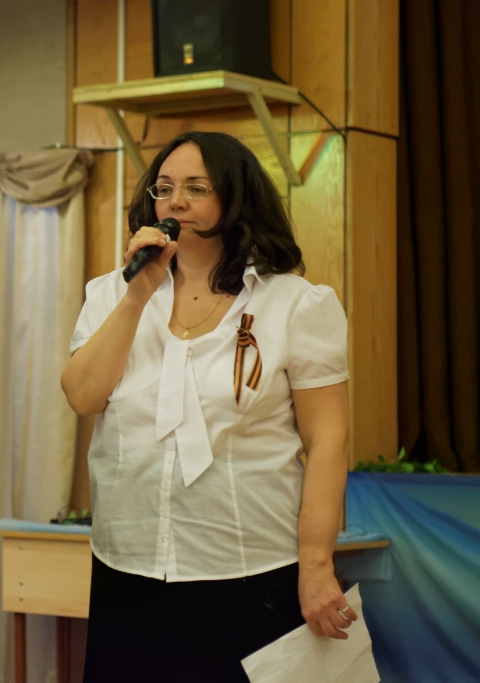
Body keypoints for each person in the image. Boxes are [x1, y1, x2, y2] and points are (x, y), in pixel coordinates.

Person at [61, 132, 354, 682]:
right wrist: (137, 294)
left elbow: (327, 440)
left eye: (197, 188)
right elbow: (83, 396)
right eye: (164, 188)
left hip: (250, 568)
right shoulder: (110, 294)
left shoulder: (294, 303)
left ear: (236, 198)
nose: (175, 201)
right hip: (127, 566)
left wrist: (317, 562)